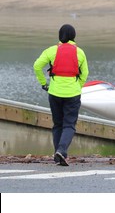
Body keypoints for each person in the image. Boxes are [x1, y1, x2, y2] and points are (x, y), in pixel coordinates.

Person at [33, 24, 89, 166]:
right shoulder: (80, 52)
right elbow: (85, 73)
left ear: (60, 36)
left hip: (54, 92)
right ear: (74, 36)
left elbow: (37, 66)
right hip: (73, 93)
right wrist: (78, 85)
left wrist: (43, 83)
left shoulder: (51, 50)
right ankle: (62, 151)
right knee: (69, 124)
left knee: (58, 124)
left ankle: (58, 153)